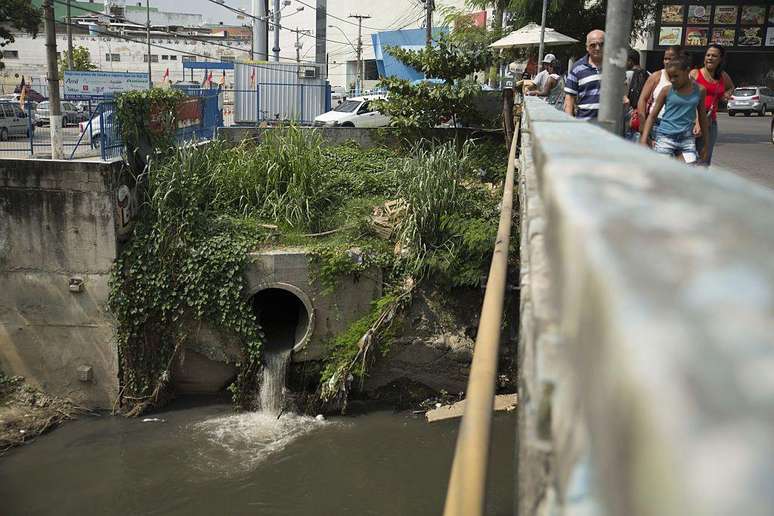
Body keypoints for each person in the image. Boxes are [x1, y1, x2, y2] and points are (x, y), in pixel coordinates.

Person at [640, 53, 709, 165]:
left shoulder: (700, 90)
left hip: (687, 138)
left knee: (689, 170)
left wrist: (706, 144)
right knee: (661, 171)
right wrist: (644, 139)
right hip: (665, 137)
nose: (672, 80)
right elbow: (652, 116)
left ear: (687, 71)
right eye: (670, 76)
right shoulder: (666, 91)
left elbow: (702, 118)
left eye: (676, 76)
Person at [690, 44, 734, 165]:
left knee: (705, 157)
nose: (710, 58)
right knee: (688, 157)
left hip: (710, 122)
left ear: (720, 59)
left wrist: (727, 94)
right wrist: (697, 122)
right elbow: (688, 98)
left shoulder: (722, 76)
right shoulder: (695, 74)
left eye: (714, 56)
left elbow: (731, 87)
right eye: (708, 55)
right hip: (692, 120)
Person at [637, 46, 683, 142]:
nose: (667, 62)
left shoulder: (687, 79)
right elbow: (643, 99)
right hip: (657, 125)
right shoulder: (656, 77)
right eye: (665, 58)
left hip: (679, 126)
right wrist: (642, 123)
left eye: (670, 59)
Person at [564, 30, 604, 120]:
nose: (597, 48)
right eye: (593, 45)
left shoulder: (614, 67)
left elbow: (623, 91)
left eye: (601, 44)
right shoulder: (577, 68)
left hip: (610, 127)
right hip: (585, 125)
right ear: (587, 47)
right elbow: (569, 98)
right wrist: (568, 122)